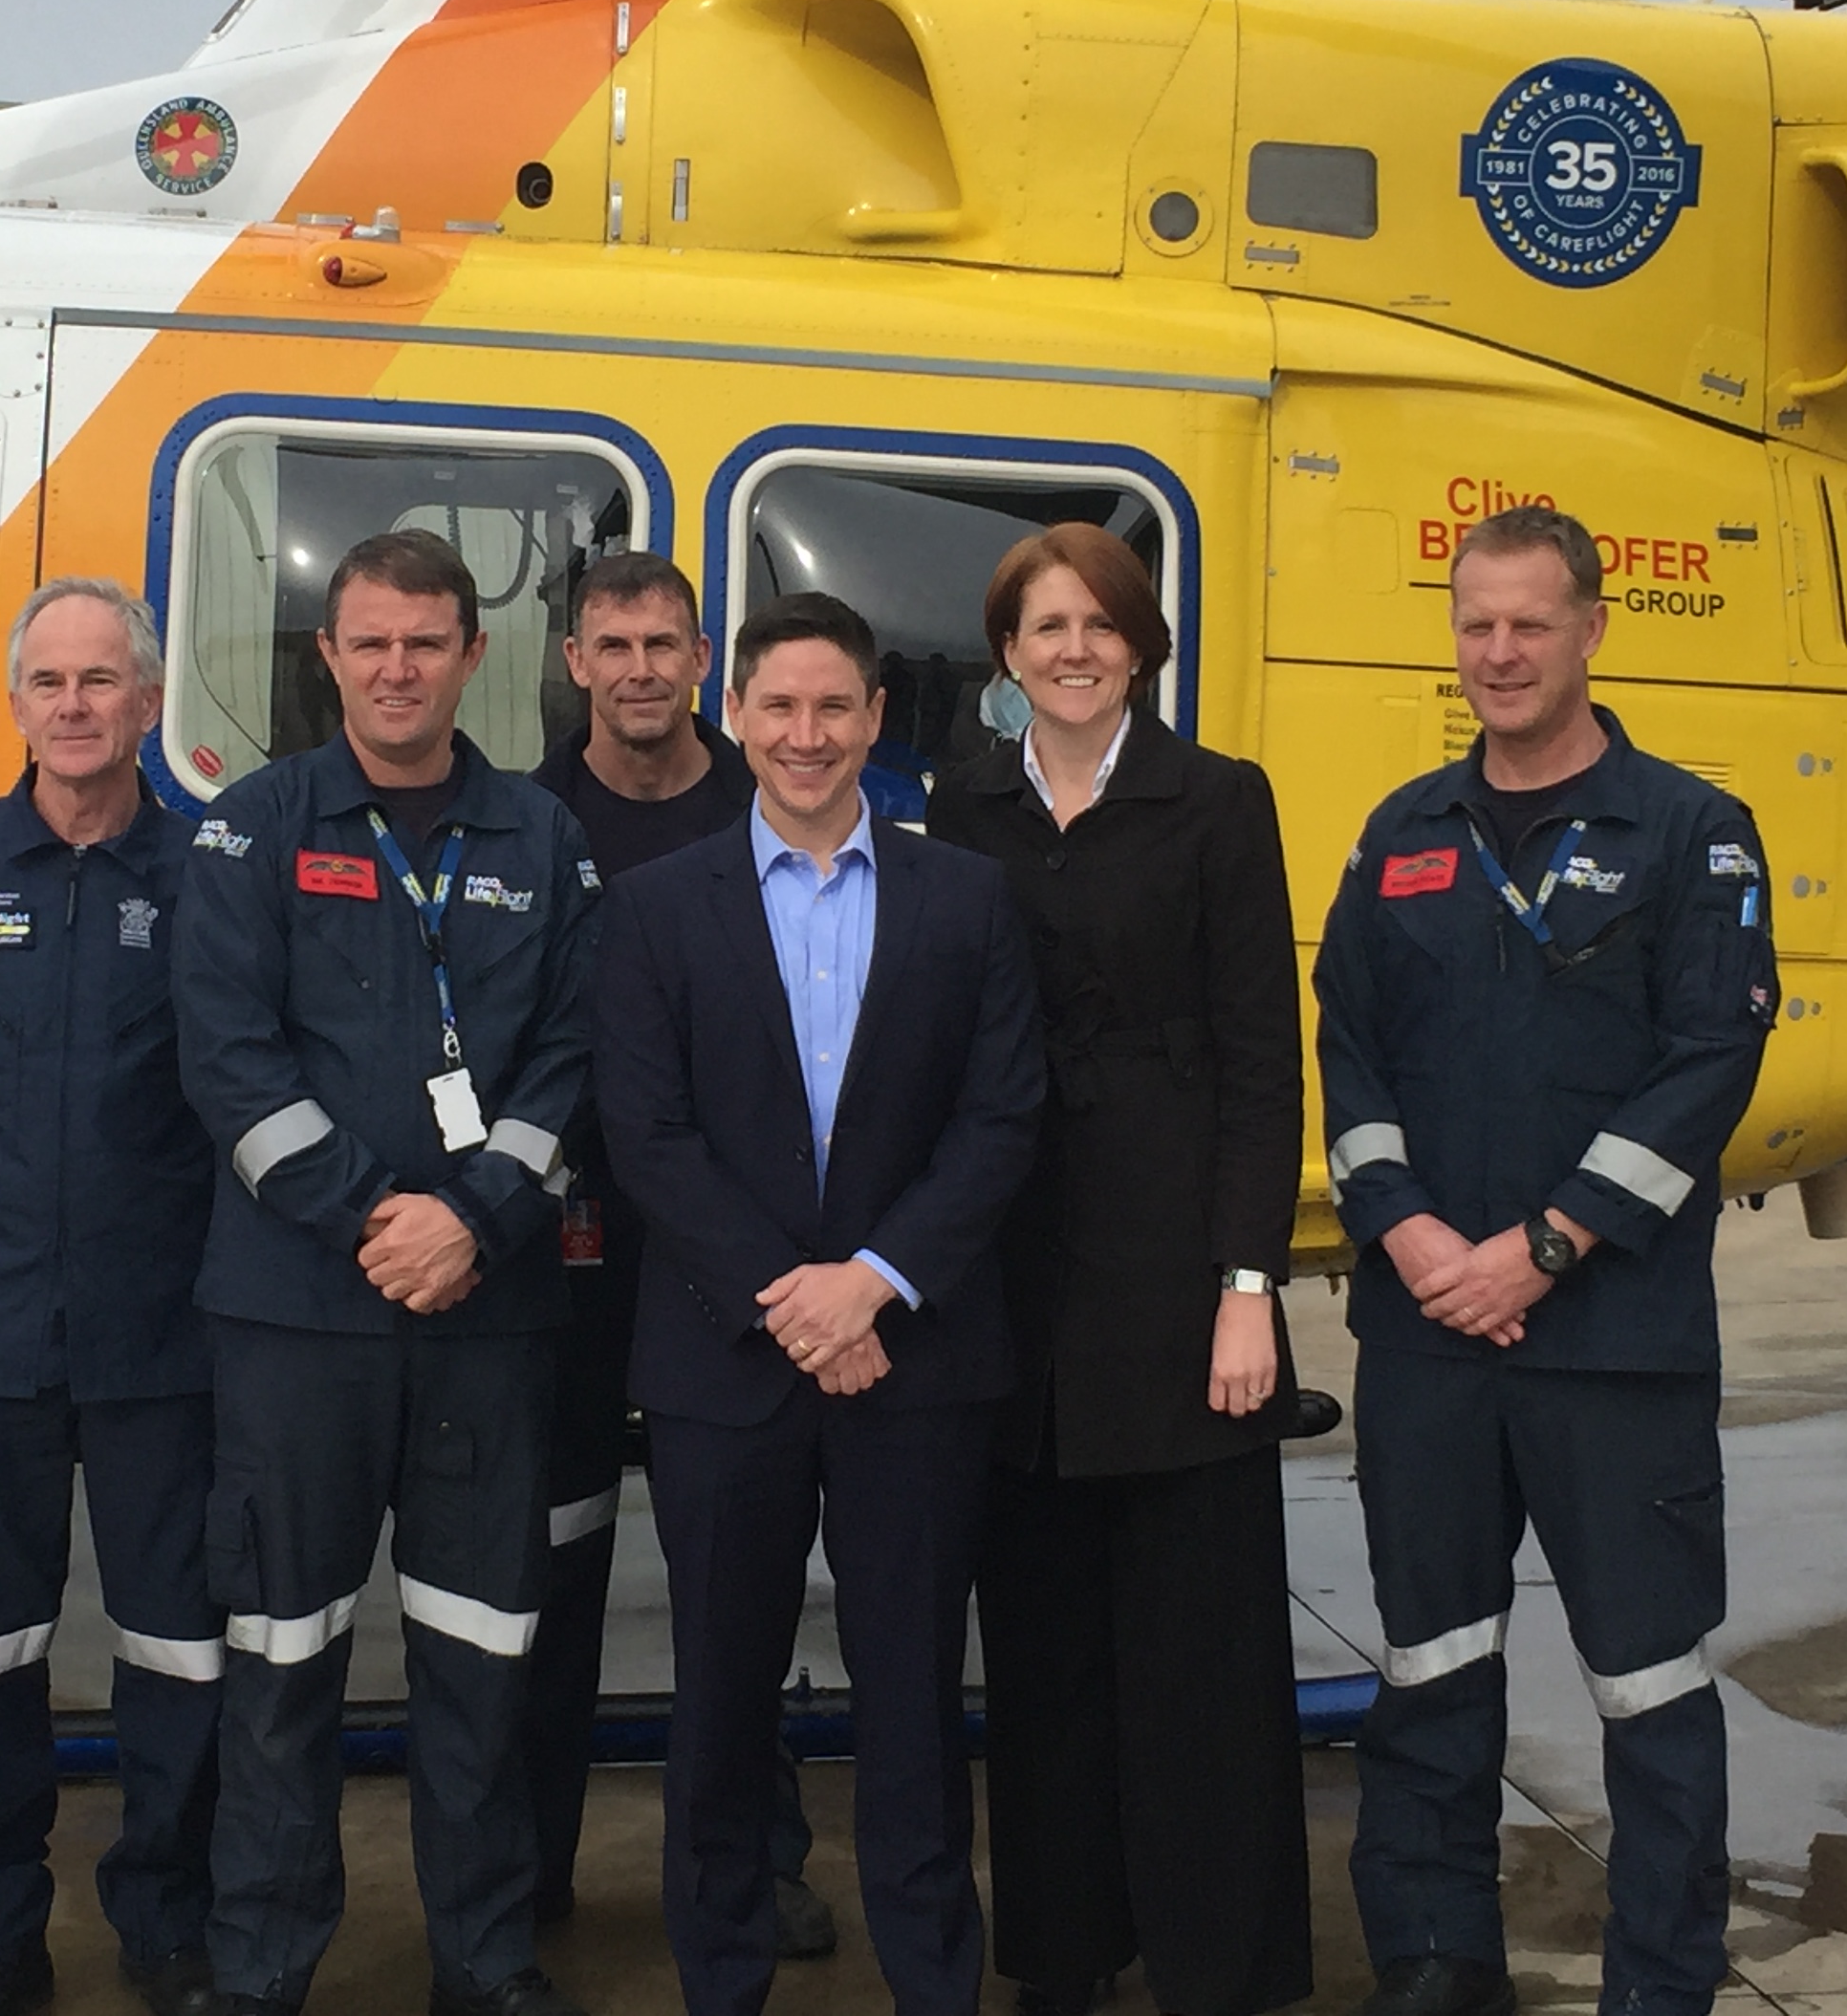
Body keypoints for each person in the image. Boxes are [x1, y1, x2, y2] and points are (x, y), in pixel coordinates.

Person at [1312, 506, 1779, 2016]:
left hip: (1614, 1345)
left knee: (1649, 1684)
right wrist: (1411, 1234)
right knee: (1430, 1659)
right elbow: (1349, 1050)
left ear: (1591, 629)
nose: (1499, 653)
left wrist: (1548, 1244)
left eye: (1529, 623)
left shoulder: (1692, 833)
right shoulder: (1404, 834)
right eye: (1476, 624)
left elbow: (1709, 1066)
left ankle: (1662, 1983)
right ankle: (1437, 1955)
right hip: (1430, 1335)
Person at [591, 590, 1045, 2016]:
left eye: (834, 707)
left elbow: (1000, 1118)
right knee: (720, 1701)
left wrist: (874, 1285)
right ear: (735, 714)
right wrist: (793, 1303)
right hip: (727, 1366)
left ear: (875, 719)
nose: (806, 735)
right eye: (779, 707)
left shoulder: (964, 897)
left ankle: (933, 1982)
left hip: (916, 1362)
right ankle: (721, 1978)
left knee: (914, 1701)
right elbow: (646, 1132)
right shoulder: (658, 908)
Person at [172, 530, 603, 2016]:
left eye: (428, 643)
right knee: (281, 1657)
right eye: (372, 643)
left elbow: (573, 1058)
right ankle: (260, 1968)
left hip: (490, 1316)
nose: (399, 670)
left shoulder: (542, 839)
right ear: (330, 657)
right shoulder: (252, 829)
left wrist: (475, 1221)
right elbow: (228, 1062)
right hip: (296, 1319)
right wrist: (380, 1220)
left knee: (481, 1658)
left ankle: (485, 1963)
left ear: (474, 656)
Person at [928, 523, 1313, 2016]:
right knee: (1042, 1656)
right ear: (1006, 653)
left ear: (1142, 645)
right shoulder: (963, 805)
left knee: (1197, 1653)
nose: (1073, 650)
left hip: (1176, 1277)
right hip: (1016, 1279)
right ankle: (1063, 1955)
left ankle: (1220, 1966)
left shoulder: (1217, 799)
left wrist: (1247, 1285)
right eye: (1045, 627)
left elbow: (1262, 1061)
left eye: (1098, 624)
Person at [0, 579, 225, 2016]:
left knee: (179, 1648)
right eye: (48, 682)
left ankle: (169, 1920)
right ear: (15, 704)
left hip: (166, 1336)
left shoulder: (209, 874)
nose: (74, 706)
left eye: (100, 681)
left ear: (148, 701)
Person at [522, 552, 832, 1958]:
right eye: (613, 645)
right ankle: (528, 1867)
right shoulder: (530, 823)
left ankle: (756, 1864)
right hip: (570, 1247)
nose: (640, 669)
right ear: (574, 662)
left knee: (738, 1580)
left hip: (741, 1255)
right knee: (552, 1565)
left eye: (664, 645)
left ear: (703, 662)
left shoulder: (764, 807)